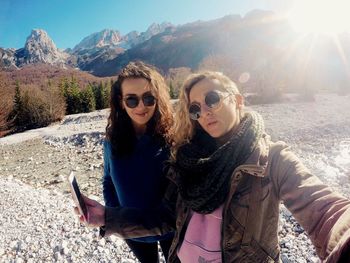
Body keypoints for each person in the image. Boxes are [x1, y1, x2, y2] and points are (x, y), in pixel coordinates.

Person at [77, 71, 350, 262]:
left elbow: (325, 210)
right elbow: (164, 218)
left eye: (213, 99)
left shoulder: (271, 159)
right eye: (195, 108)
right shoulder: (187, 159)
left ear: (238, 100)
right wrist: (107, 217)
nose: (204, 111)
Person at [101, 61, 174, 263]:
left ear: (158, 99)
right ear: (121, 101)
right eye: (132, 100)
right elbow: (107, 180)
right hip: (132, 228)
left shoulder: (173, 137)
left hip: (171, 227)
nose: (141, 106)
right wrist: (115, 213)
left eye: (149, 98)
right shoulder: (111, 142)